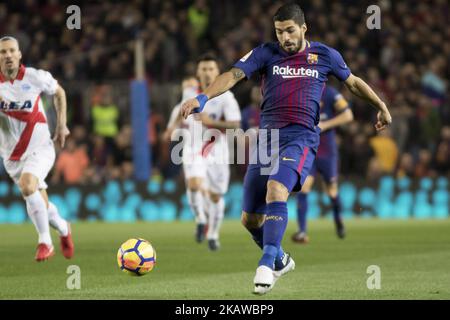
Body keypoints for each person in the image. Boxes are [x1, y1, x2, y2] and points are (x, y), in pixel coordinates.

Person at [181, 4, 392, 294]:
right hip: (267, 140)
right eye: (279, 32)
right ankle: (280, 258)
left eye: (290, 31)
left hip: (301, 137)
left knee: (276, 190)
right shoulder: (266, 53)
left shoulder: (324, 55)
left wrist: (380, 106)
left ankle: (266, 264)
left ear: (304, 28)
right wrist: (203, 98)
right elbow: (233, 75)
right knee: (249, 219)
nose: (285, 37)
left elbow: (353, 83)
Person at [0, 36, 73, 261]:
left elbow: (59, 93)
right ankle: (64, 228)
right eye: (3, 52)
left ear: (20, 54)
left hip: (40, 148)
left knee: (27, 185)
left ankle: (45, 242)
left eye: (12, 51)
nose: (8, 55)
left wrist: (61, 125)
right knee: (40, 201)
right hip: (12, 156)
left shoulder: (35, 77)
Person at [167, 54, 241, 251]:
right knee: (194, 184)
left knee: (215, 196)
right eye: (204, 69)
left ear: (217, 72)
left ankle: (214, 234)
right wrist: (171, 126)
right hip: (193, 145)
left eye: (211, 69)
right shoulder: (190, 92)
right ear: (198, 73)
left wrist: (212, 123)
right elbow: (178, 110)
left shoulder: (227, 96)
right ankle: (200, 219)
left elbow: (235, 124)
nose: (207, 73)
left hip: (217, 148)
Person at [292, 85, 353, 244]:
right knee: (303, 187)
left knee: (331, 190)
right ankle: (302, 231)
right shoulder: (300, 90)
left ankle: (338, 219)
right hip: (307, 149)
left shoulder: (331, 93)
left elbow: (348, 115)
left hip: (327, 151)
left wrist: (325, 125)